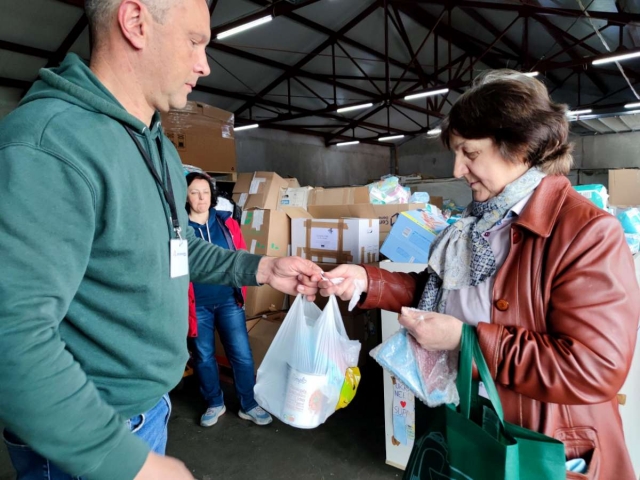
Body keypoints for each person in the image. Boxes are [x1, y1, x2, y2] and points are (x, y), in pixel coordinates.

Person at [0, 1, 320, 479]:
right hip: (88, 436)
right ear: (135, 23)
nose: (205, 64)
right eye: (195, 41)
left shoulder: (158, 148)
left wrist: (262, 269)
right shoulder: (51, 144)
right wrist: (129, 464)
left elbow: (174, 249)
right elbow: (12, 335)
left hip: (147, 409)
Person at [315, 70, 640, 479]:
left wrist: (465, 339)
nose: (457, 169)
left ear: (519, 146)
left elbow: (593, 368)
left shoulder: (587, 233)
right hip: (472, 415)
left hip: (542, 441)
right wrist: (367, 281)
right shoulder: (480, 222)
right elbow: (445, 293)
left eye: (469, 154)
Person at [185, 172, 272, 427]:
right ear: (186, 196)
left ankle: (249, 404)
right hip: (196, 304)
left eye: (205, 191)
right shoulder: (179, 230)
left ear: (212, 195)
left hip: (227, 301)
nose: (201, 197)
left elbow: (241, 257)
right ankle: (214, 402)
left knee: (242, 355)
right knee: (203, 356)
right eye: (194, 192)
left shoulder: (227, 224)